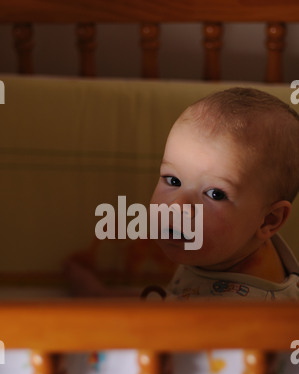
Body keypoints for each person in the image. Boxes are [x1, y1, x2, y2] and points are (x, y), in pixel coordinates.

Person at [65, 87, 299, 301]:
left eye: (215, 194)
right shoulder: (241, 242)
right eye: (173, 180)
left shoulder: (234, 315)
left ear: (271, 219)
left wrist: (96, 297)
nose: (178, 206)